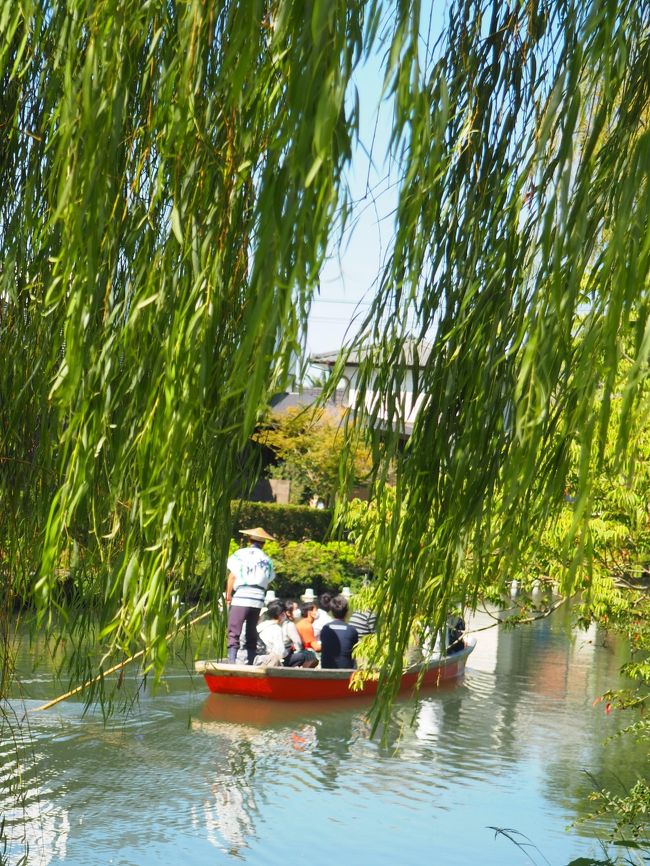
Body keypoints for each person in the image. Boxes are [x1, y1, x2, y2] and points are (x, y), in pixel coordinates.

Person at [225, 526, 275, 664]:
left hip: (242, 597)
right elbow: (269, 579)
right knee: (251, 631)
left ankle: (231, 660)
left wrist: (228, 595)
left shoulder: (240, 554)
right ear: (263, 543)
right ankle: (251, 659)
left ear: (249, 540)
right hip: (258, 600)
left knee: (234, 630)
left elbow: (232, 576)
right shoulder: (267, 560)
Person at [257, 602, 317, 667]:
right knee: (305, 655)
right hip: (273, 660)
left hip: (261, 657)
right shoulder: (278, 628)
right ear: (282, 614)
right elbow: (281, 651)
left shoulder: (261, 625)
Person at [320, 594, 359, 669]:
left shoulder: (325, 628)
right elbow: (354, 653)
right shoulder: (352, 630)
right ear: (347, 612)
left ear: (331, 612)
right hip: (346, 669)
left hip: (326, 668)